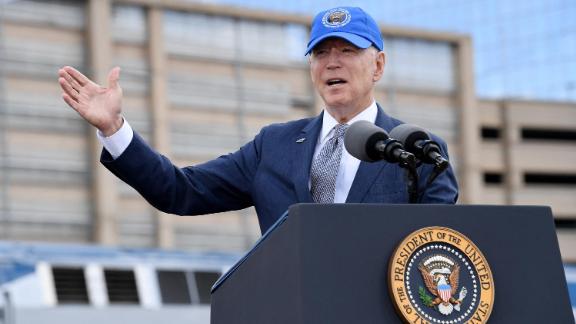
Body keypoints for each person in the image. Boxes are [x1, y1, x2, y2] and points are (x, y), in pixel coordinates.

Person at [58, 7, 458, 234]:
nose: (332, 61)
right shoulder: (274, 145)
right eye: (321, 53)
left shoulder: (415, 149)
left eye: (348, 50)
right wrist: (114, 129)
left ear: (378, 66)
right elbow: (182, 191)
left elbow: (439, 249)